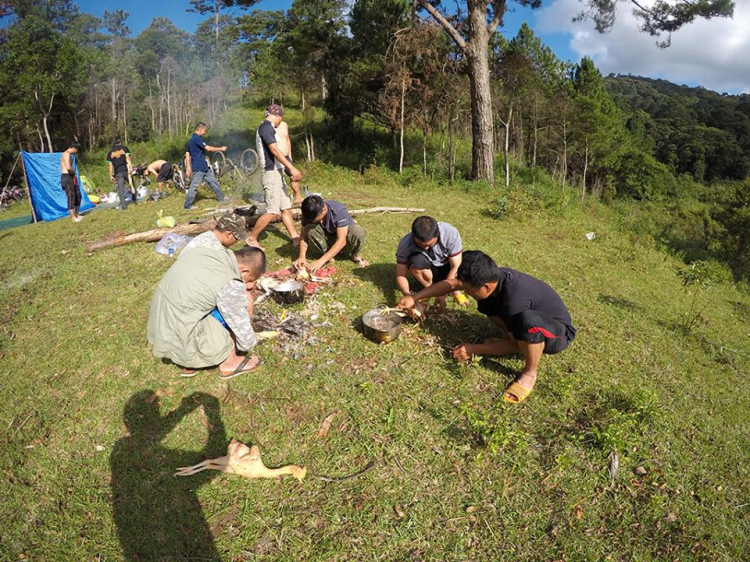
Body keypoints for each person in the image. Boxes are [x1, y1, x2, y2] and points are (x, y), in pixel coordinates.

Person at [398, 250, 575, 404]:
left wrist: (475, 349)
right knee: (487, 305)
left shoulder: (514, 302)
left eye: (467, 290)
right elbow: (452, 284)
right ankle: (516, 337)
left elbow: (514, 344)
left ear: (486, 286)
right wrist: (415, 297)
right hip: (523, 318)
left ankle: (529, 372)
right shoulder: (489, 278)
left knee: (526, 323)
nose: (465, 292)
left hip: (557, 333)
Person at [147, 242, 266, 380]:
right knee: (246, 300)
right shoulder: (229, 281)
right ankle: (230, 362)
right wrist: (249, 342)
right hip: (183, 336)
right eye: (249, 280)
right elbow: (244, 338)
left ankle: (188, 359)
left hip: (162, 329)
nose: (248, 285)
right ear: (244, 271)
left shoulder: (206, 250)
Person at [245, 105, 301, 248]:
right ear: (277, 115)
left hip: (278, 172)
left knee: (285, 208)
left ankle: (295, 237)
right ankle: (252, 238)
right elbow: (274, 150)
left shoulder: (269, 127)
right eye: (281, 118)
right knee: (272, 211)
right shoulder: (266, 127)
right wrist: (291, 167)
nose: (280, 122)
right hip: (271, 174)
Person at [395, 216, 467, 313]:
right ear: (414, 236)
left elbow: (455, 267)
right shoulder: (405, 244)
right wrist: (408, 295)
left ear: (437, 235)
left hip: (447, 268)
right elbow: (401, 275)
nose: (425, 248)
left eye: (429, 244)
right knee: (416, 261)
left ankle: (455, 291)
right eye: (421, 245)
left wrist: (444, 292)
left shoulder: (450, 234)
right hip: (428, 271)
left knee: (465, 261)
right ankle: (429, 289)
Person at [293, 195, 369, 272]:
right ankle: (327, 255)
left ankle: (354, 255)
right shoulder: (309, 213)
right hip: (326, 237)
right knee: (309, 229)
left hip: (343, 238)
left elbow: (341, 241)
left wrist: (320, 261)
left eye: (314, 219)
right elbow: (303, 236)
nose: (312, 221)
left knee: (358, 231)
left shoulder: (338, 211)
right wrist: (302, 256)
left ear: (324, 209)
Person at [184, 122, 228, 210]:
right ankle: (187, 205)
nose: (205, 133)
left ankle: (221, 198)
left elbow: (187, 154)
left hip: (203, 167)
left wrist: (188, 167)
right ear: (200, 129)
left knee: (213, 181)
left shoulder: (190, 140)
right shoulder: (197, 138)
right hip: (199, 167)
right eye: (204, 130)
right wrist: (221, 149)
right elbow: (208, 148)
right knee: (194, 186)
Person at [181, 213, 247, 254]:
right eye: (237, 238)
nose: (236, 241)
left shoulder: (203, 237)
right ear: (229, 234)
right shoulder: (217, 252)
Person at [275, 120, 303, 204]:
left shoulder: (284, 125)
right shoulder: (268, 126)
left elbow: (287, 140)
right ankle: (277, 199)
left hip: (286, 156)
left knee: (295, 175)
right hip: (276, 156)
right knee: (277, 178)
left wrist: (290, 155)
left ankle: (297, 196)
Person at [107, 136, 136, 210]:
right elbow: (128, 158)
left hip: (118, 172)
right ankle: (134, 199)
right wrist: (130, 167)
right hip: (126, 169)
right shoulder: (124, 148)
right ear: (120, 142)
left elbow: (110, 166)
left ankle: (124, 206)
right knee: (131, 183)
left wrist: (111, 175)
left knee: (121, 189)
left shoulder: (110, 153)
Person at [60, 142, 83, 223]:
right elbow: (68, 168)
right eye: (76, 150)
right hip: (67, 177)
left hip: (72, 176)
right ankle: (73, 217)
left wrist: (74, 174)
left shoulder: (70, 155)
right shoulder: (66, 154)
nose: (76, 152)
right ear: (74, 148)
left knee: (78, 196)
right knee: (71, 197)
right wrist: (74, 172)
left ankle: (77, 214)